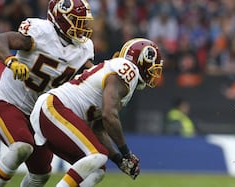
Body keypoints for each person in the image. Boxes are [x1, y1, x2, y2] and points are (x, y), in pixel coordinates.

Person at [0, 0, 96, 187]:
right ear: (61, 20)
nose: (82, 27)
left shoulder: (83, 49)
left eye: (84, 22)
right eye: (76, 21)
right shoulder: (40, 33)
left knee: (41, 174)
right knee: (22, 146)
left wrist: (111, 71)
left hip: (37, 115)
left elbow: (92, 72)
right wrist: (11, 61)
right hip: (7, 102)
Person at [29, 38, 163, 186]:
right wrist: (126, 153)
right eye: (153, 66)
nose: (154, 72)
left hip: (52, 112)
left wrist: (119, 160)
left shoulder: (121, 78)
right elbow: (109, 116)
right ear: (142, 61)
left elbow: (98, 130)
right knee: (97, 155)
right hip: (54, 108)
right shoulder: (128, 69)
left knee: (97, 170)